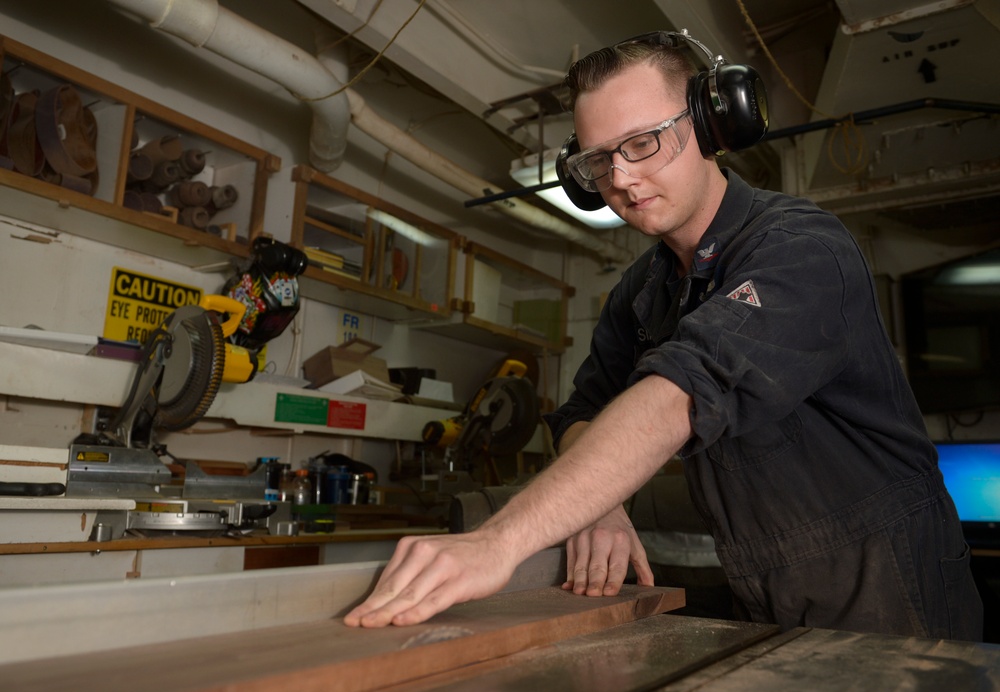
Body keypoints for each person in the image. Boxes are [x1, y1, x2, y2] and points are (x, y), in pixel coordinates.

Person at [345, 31, 984, 640]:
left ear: (713, 126)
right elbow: (579, 412)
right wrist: (598, 503)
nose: (620, 177)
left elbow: (683, 391)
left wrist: (501, 542)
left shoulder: (803, 248)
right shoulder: (643, 290)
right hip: (758, 583)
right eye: (600, 158)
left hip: (889, 582)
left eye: (644, 142)